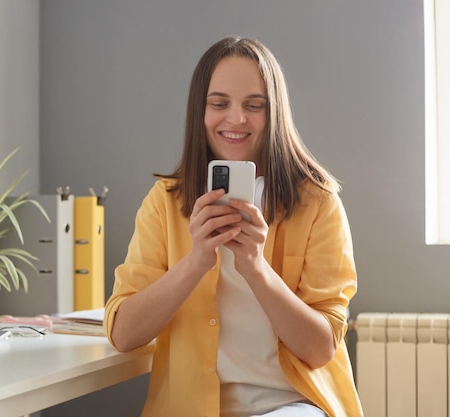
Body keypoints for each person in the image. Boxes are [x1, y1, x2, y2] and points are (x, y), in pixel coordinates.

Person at [104, 36, 362, 417]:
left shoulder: (318, 203)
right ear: (200, 111)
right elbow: (124, 335)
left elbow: (320, 348)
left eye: (254, 106)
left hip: (292, 404)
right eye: (219, 103)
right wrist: (196, 261)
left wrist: (256, 268)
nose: (236, 119)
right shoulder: (164, 202)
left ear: (274, 113)